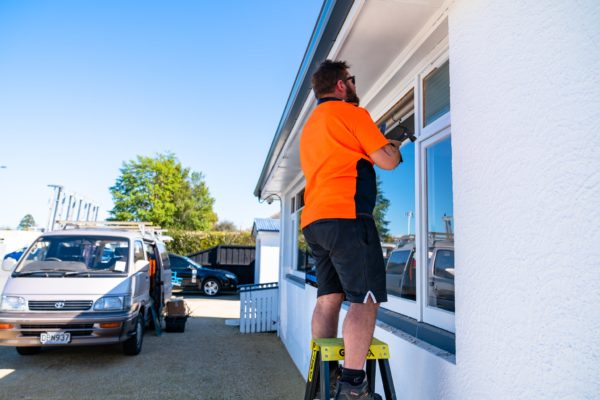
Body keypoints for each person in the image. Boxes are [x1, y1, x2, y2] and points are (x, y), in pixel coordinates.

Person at [300, 60, 401, 400]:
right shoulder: (352, 114)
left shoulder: (312, 125)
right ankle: (354, 386)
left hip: (315, 221)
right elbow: (386, 160)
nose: (355, 86)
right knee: (366, 299)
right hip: (348, 216)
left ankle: (325, 375)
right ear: (342, 86)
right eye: (352, 81)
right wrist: (395, 149)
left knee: (328, 298)